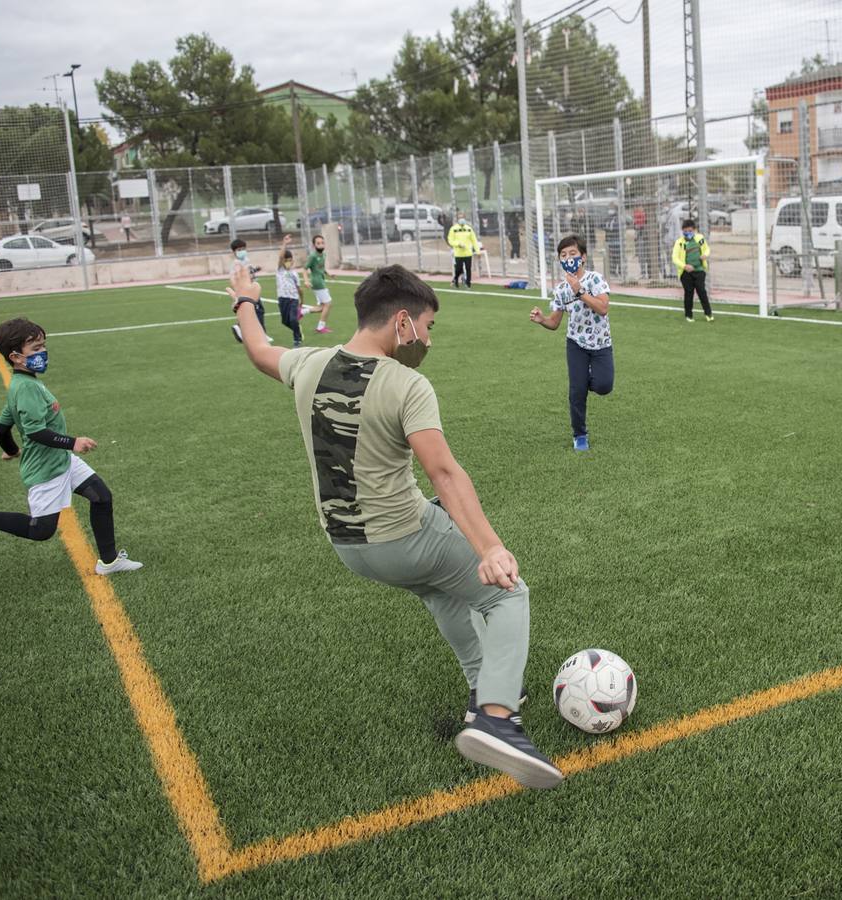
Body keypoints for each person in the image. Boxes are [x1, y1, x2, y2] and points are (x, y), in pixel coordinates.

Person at [224, 263, 562, 790]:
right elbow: (444, 473)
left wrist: (245, 300)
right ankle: (498, 719)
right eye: (427, 326)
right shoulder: (407, 384)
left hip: (349, 547)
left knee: (441, 590)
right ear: (402, 321)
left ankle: (484, 689)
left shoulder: (308, 363)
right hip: (402, 538)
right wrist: (490, 548)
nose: (428, 339)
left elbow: (258, 350)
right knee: (508, 594)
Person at [0, 317, 143, 575]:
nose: (43, 352)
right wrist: (73, 442)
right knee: (40, 530)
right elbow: (36, 432)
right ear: (15, 357)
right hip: (46, 469)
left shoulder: (25, 383)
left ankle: (109, 561)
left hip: (60, 460)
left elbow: (2, 427)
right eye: (36, 348)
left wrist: (12, 450)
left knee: (101, 496)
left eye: (43, 346)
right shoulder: (26, 387)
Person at [529, 234, 613, 452]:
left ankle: (585, 381)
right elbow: (554, 322)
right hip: (576, 344)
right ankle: (580, 435)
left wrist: (580, 291)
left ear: (583, 257)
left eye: (573, 254)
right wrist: (542, 320)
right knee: (577, 391)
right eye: (563, 255)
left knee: (604, 386)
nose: (568, 258)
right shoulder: (560, 289)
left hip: (601, 343)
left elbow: (603, 308)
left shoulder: (595, 279)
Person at [229, 238, 271, 344]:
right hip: (247, 291)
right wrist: (238, 289)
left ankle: (245, 329)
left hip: (250, 289)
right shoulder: (237, 263)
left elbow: (249, 271)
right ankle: (259, 333)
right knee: (258, 311)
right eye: (239, 250)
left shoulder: (245, 260)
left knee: (252, 310)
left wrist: (256, 269)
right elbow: (237, 276)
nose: (242, 251)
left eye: (243, 249)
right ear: (234, 252)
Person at [672, 218, 713, 322]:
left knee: (702, 291)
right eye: (685, 231)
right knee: (689, 293)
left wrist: (705, 255)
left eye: (690, 231)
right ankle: (688, 315)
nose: (687, 233)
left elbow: (707, 249)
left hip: (699, 271)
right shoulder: (679, 242)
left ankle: (708, 314)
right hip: (686, 273)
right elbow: (674, 258)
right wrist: (684, 266)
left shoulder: (700, 238)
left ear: (694, 230)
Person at [275, 236, 304, 348]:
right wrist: (284, 243)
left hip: (293, 299)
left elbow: (299, 288)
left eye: (290, 260)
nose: (288, 262)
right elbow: (280, 256)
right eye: (286, 260)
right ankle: (297, 329)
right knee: (285, 321)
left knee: (293, 319)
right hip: (282, 299)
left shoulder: (294, 273)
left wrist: (302, 300)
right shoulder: (280, 270)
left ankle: (297, 339)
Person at [306, 233, 333, 335]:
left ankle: (302, 312)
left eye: (322, 243)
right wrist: (306, 280)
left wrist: (329, 274)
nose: (321, 245)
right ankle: (320, 327)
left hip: (321, 281)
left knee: (322, 307)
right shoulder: (312, 256)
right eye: (318, 243)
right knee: (328, 304)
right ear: (314, 245)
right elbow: (304, 269)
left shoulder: (324, 255)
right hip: (317, 282)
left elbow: (321, 268)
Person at [447, 212, 481, 289]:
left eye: (462, 217)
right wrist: (458, 244)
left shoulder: (469, 229)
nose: (461, 219)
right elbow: (450, 240)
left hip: (468, 253)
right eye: (460, 218)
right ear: (457, 219)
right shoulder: (453, 229)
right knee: (458, 269)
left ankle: (468, 284)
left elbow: (474, 240)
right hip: (458, 253)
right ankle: (455, 280)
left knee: (468, 269)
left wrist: (477, 251)